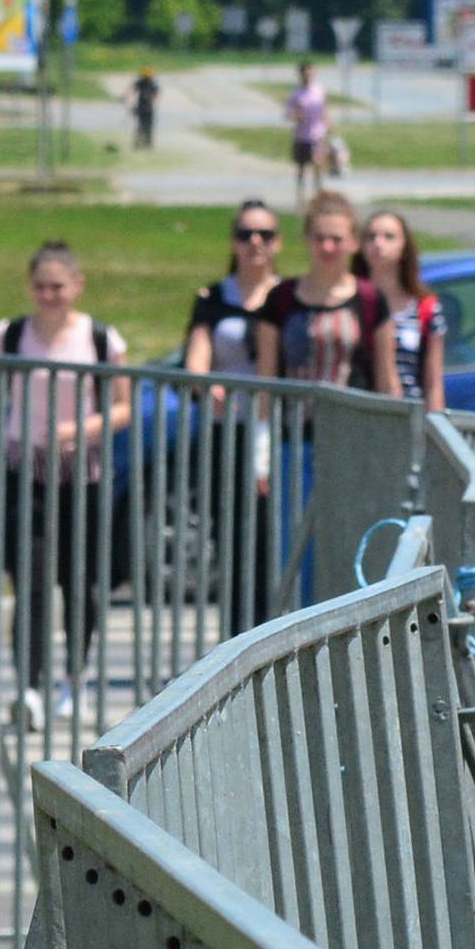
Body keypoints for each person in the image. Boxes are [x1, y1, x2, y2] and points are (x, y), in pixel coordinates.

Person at [0, 241, 132, 726]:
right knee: (32, 582)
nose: (49, 296)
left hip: (83, 474)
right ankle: (31, 686)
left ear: (77, 286)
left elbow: (122, 407)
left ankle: (74, 680)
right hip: (25, 470)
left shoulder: (101, 339)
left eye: (58, 287)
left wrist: (80, 431)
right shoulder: (9, 336)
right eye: (41, 287)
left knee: (81, 584)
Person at [184, 199, 281, 629]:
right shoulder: (212, 297)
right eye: (245, 235)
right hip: (227, 434)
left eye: (264, 235)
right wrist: (208, 384)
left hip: (276, 435)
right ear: (233, 242)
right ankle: (237, 638)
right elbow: (196, 362)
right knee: (231, 540)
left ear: (277, 243)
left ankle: (273, 634)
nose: (254, 243)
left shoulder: (287, 296)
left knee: (271, 541)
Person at [254, 189, 396, 395]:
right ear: (307, 239)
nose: (327, 247)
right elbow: (265, 378)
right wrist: (262, 425)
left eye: (336, 239)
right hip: (291, 423)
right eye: (319, 238)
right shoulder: (280, 297)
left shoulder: (371, 298)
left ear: (354, 242)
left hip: (352, 422)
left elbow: (386, 378)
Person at [359, 206, 448, 409]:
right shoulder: (351, 300)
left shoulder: (426, 308)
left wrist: (434, 427)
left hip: (407, 417)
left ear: (404, 247)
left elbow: (433, 383)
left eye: (388, 237)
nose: (378, 244)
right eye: (371, 237)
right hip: (358, 415)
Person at [284, 60, 329, 204]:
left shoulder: (319, 91)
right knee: (301, 168)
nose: (308, 75)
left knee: (318, 166)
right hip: (300, 135)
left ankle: (318, 197)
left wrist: (328, 127)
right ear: (300, 74)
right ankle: (300, 198)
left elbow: (325, 110)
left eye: (310, 72)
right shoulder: (296, 93)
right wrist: (296, 115)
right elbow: (288, 113)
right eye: (305, 73)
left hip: (317, 135)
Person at [129, 68, 160, 149]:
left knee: (146, 126)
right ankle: (140, 143)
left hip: (147, 107)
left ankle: (146, 144)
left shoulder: (151, 84)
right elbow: (132, 92)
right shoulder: (141, 83)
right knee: (142, 126)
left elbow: (155, 96)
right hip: (143, 107)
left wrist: (150, 104)